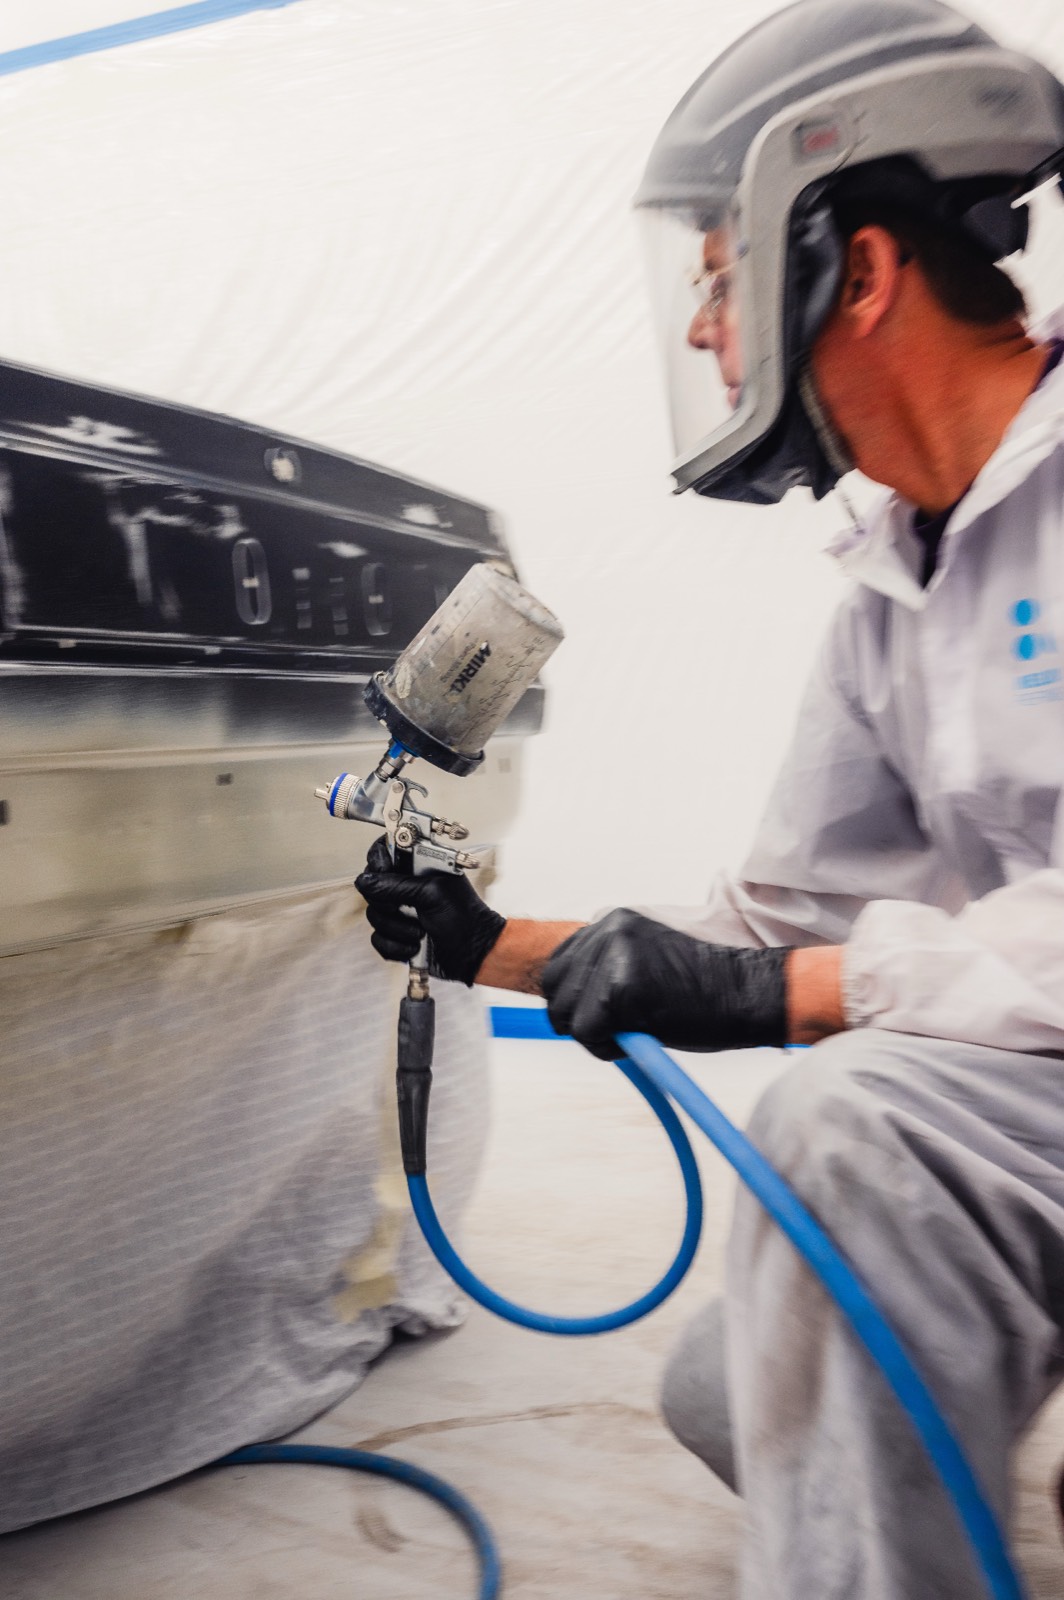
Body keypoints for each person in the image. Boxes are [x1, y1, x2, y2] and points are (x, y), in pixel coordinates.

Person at [356, 0, 1064, 1593]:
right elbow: (781, 917)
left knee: (849, 1129)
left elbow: (803, 973)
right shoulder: (894, 585)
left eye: (721, 280)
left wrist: (788, 996)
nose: (703, 332)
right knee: (724, 1395)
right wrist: (488, 944)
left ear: (860, 270)